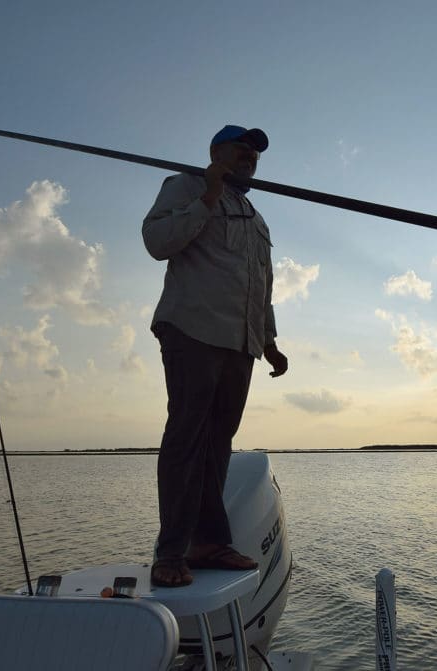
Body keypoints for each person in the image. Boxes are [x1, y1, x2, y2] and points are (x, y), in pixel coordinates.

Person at [142, 124, 288, 587]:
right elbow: (157, 241)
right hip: (192, 329)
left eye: (255, 154)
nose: (249, 156)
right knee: (187, 435)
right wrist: (206, 196)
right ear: (216, 152)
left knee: (218, 443)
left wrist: (269, 342)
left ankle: (208, 541)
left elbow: (260, 287)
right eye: (241, 149)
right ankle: (172, 551)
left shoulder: (256, 218)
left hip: (240, 344)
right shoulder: (185, 186)